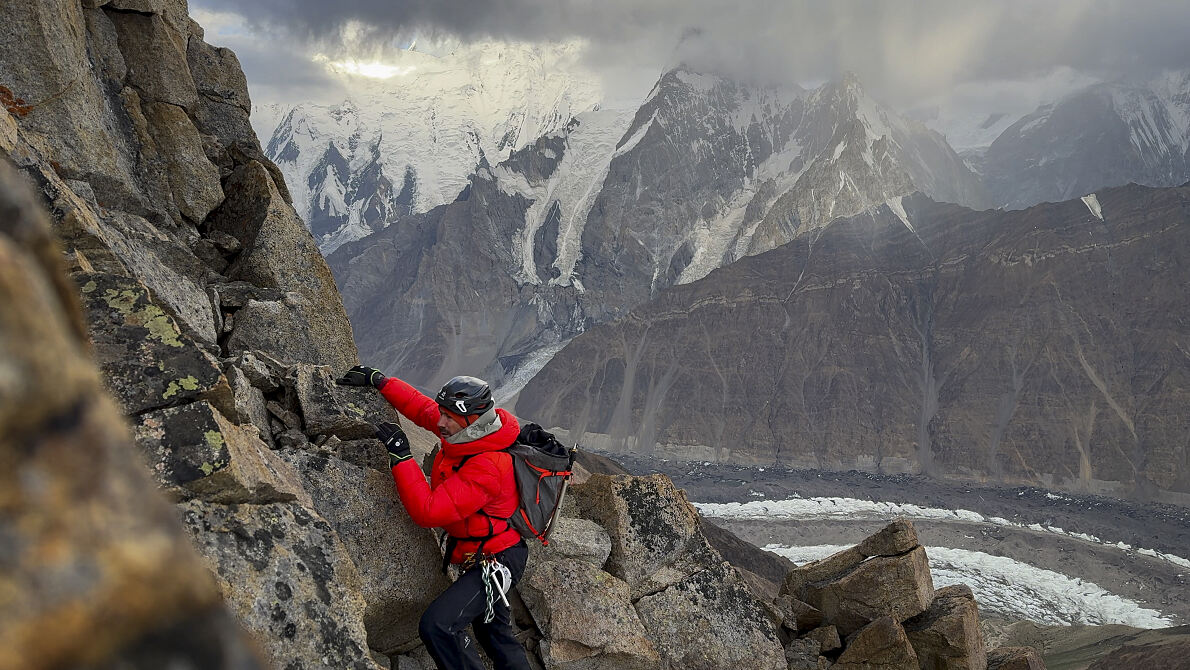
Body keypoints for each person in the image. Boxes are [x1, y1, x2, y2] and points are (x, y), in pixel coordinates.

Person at [337, 365, 531, 670]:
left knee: (438, 625)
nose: (439, 422)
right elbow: (424, 409)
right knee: (492, 631)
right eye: (443, 413)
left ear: (471, 419)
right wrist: (381, 381)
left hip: (499, 558)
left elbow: (428, 511)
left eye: (449, 417)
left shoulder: (489, 465)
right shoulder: (468, 432)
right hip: (485, 553)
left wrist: (402, 458)